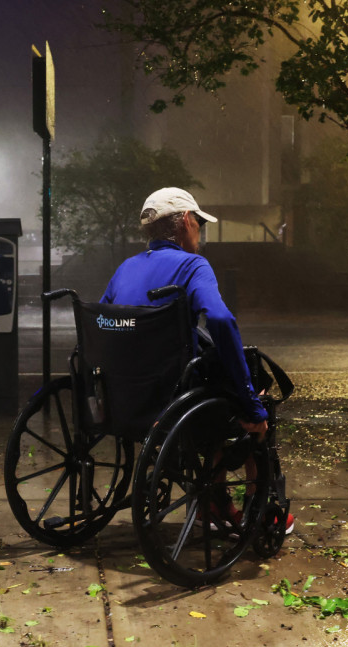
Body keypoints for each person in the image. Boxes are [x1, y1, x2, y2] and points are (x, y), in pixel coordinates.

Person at [100, 187, 294, 535]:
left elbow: (103, 324)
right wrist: (251, 404)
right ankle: (258, 508)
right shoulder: (192, 265)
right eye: (199, 224)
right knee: (254, 400)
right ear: (187, 221)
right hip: (172, 398)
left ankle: (213, 502)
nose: (200, 233)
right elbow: (220, 321)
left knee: (219, 383)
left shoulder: (125, 268)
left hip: (125, 398)